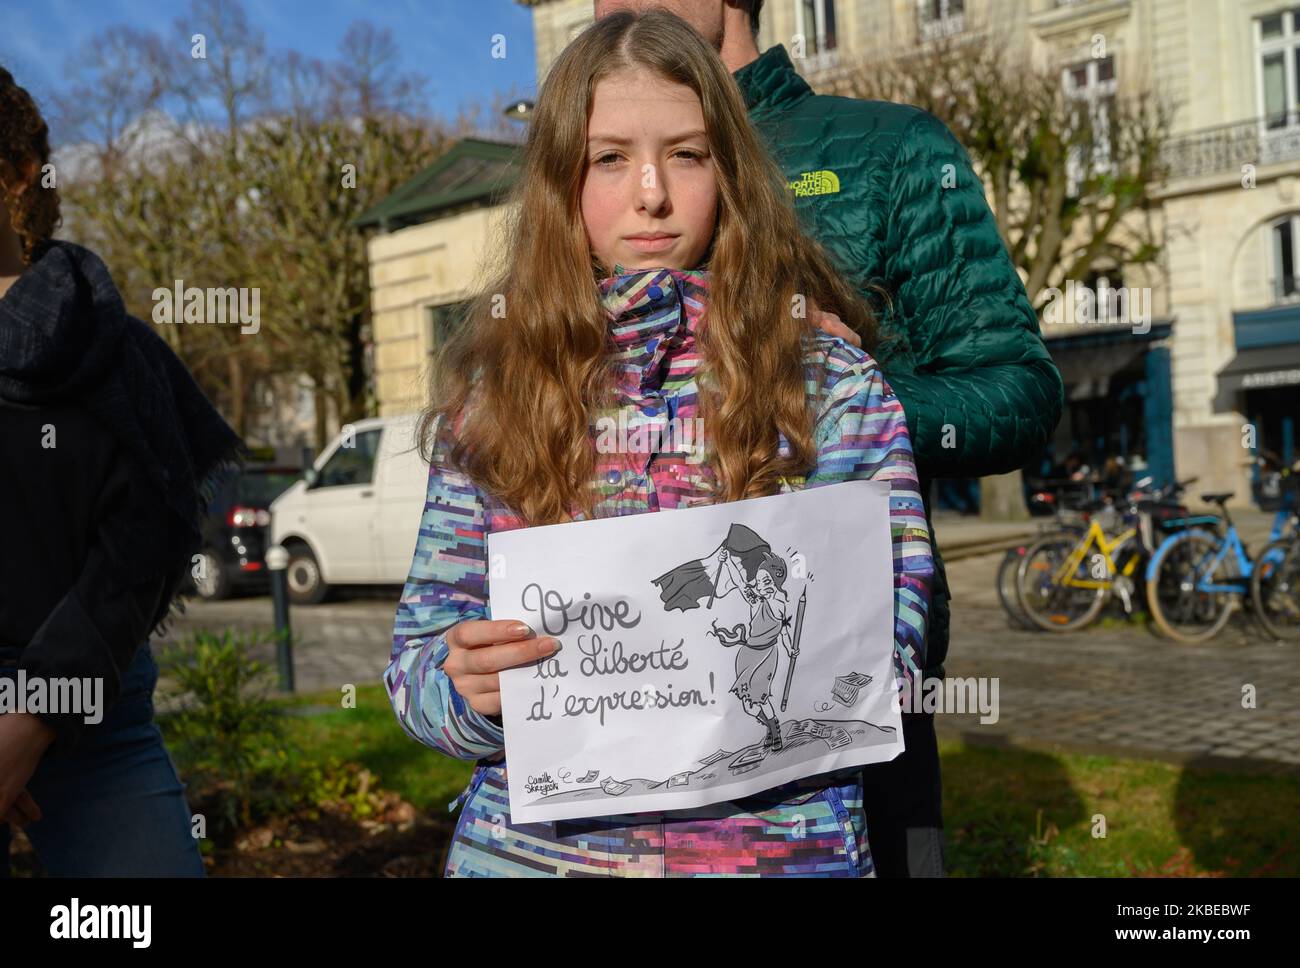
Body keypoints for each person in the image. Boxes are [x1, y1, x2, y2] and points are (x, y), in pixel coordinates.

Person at [384, 10, 933, 877]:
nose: (651, 191)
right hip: (533, 858)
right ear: (562, 181)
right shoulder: (498, 399)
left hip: (780, 855)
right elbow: (417, 672)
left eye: (687, 152)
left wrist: (804, 635)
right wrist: (466, 693)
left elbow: (899, 646)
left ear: (733, 171)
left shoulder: (828, 383)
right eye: (609, 157)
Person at [594, 0, 1064, 876]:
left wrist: (855, 399)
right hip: (636, 682)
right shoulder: (594, 170)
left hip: (846, 664)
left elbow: (1022, 391)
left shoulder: (890, 150)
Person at [0, 65, 243, 876]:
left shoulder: (111, 347)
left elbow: (147, 540)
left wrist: (32, 716)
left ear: (16, 174)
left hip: (95, 717)